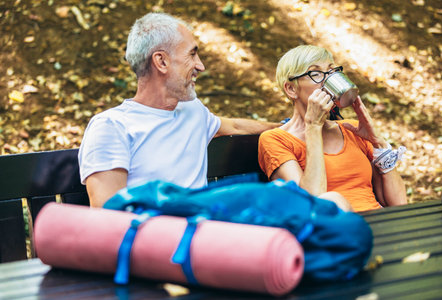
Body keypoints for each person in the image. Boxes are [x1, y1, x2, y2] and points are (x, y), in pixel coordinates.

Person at [78, 12, 280, 208]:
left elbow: (235, 126)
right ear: (161, 62)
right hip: (156, 240)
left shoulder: (192, 111)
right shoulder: (111, 127)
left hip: (202, 232)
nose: (200, 66)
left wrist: (288, 127)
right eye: (192, 54)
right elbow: (108, 218)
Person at [258, 45, 407, 212]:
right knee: (333, 200)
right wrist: (313, 127)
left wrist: (379, 145)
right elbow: (311, 204)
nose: (327, 80)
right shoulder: (276, 140)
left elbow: (399, 206)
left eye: (331, 72)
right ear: (291, 89)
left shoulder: (352, 129)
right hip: (334, 231)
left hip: (380, 225)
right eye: (315, 73)